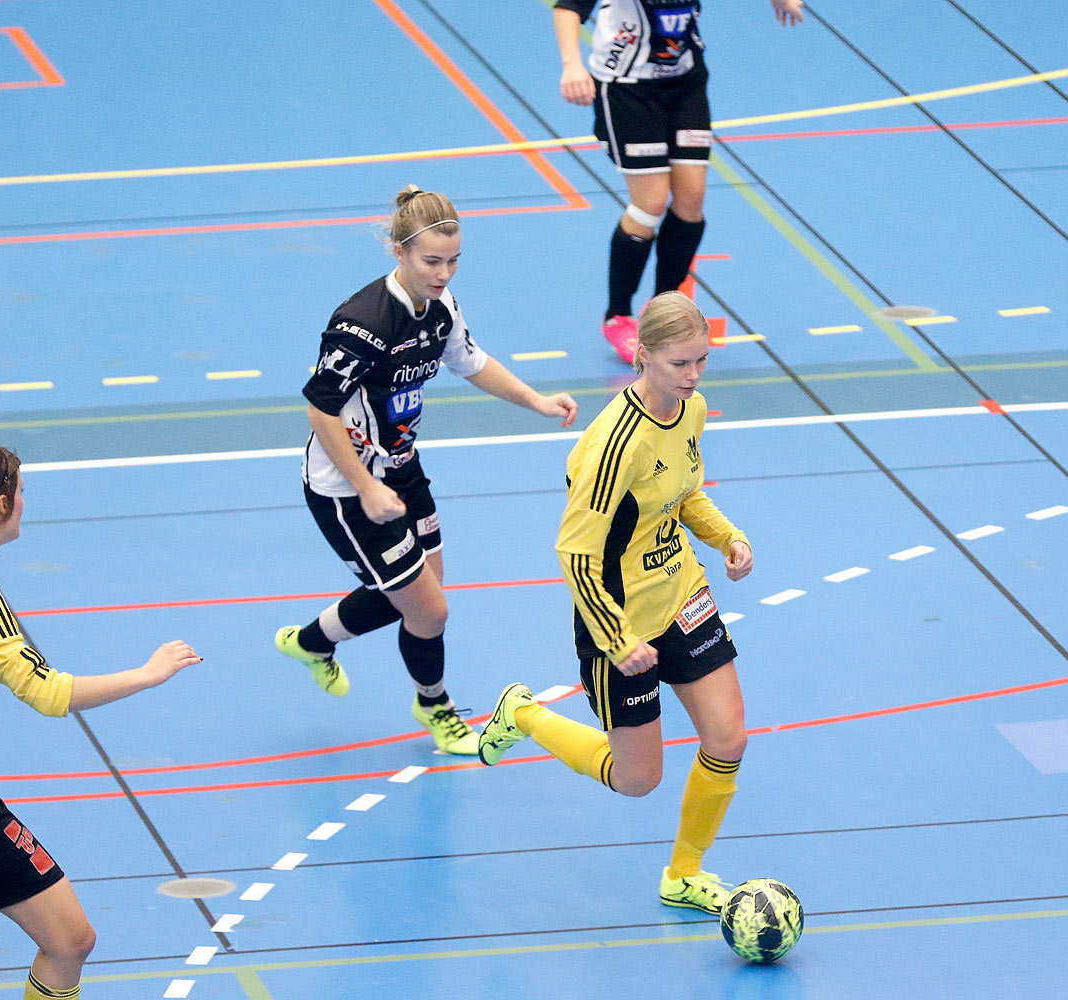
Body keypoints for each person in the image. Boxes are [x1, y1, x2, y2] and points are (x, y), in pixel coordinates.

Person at [274, 186, 579, 756]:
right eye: (431, 261)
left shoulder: (441, 308)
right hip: (346, 489)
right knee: (428, 607)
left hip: (403, 470)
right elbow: (320, 409)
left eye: (453, 261)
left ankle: (311, 642)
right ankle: (435, 708)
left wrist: (536, 401)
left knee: (417, 597)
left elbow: (471, 362)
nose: (444, 274)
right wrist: (365, 488)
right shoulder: (361, 324)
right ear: (398, 251)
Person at [477, 291, 753, 913]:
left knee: (728, 737)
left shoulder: (691, 410)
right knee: (638, 780)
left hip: (682, 591)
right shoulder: (612, 444)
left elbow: (683, 496)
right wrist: (617, 638)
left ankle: (684, 874)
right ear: (644, 356)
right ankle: (524, 714)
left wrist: (728, 537)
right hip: (620, 619)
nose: (693, 376)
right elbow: (576, 553)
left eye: (701, 361)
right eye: (681, 364)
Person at [0, 442, 202, 1000]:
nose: (26, 500)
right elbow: (48, 693)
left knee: (70, 939)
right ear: (2, 504)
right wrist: (147, 674)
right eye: (21, 490)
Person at [552, 0, 804, 364]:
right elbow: (569, 6)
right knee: (650, 202)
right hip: (627, 87)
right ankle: (618, 315)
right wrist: (572, 64)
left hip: (684, 83)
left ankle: (662, 312)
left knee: (691, 200)